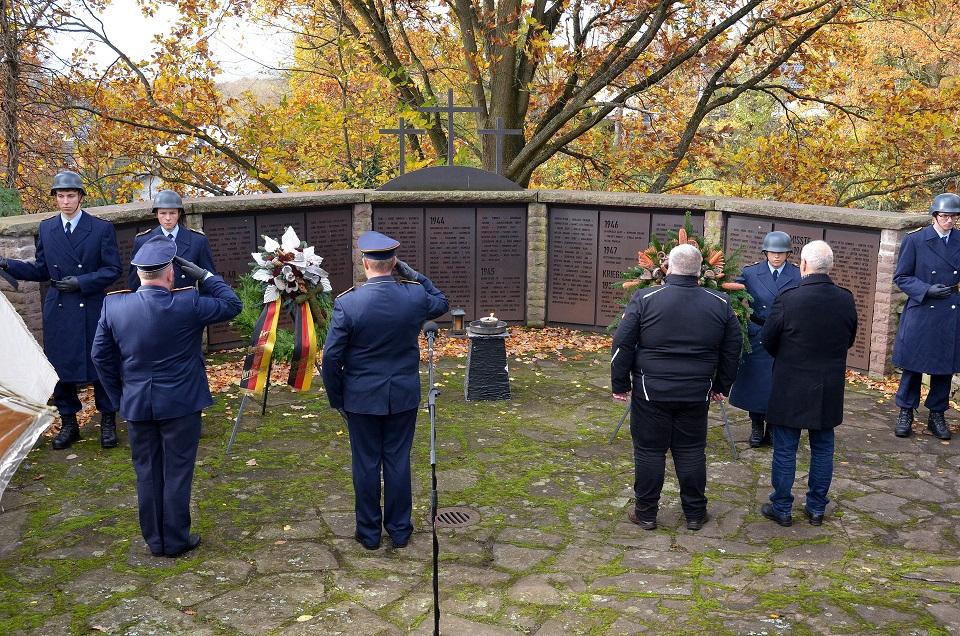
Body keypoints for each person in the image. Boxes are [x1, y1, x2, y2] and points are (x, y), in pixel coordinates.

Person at [90, 236, 241, 557]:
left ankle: (154, 540)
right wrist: (205, 276)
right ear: (170, 273)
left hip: (137, 403)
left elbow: (99, 356)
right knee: (177, 471)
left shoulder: (114, 305)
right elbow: (233, 305)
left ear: (141, 274)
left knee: (146, 471)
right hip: (182, 403)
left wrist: (120, 397)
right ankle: (174, 539)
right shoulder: (187, 302)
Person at [322, 230, 448, 550]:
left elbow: (332, 357)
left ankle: (368, 533)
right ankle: (400, 530)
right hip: (402, 394)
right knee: (397, 460)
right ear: (394, 264)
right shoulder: (415, 296)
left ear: (365, 263)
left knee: (365, 463)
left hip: (361, 397)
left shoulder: (349, 303)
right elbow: (442, 302)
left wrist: (338, 398)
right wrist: (415, 274)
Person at [611, 243, 742, 531]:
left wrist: (620, 384)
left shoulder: (645, 298)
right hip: (696, 391)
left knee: (649, 451)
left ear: (668, 267)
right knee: (691, 450)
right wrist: (722, 385)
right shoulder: (719, 303)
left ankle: (646, 513)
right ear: (700, 270)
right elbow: (733, 350)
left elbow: (622, 344)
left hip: (651, 391)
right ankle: (695, 513)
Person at [0, 170, 121, 449]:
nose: (66, 201)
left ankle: (107, 421)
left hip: (91, 305)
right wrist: (8, 264)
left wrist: (82, 281)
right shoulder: (47, 228)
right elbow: (42, 269)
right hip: (59, 307)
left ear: (80, 197)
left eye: (71, 195)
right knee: (60, 366)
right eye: (61, 196)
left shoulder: (101, 229)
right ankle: (69, 424)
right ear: (55, 198)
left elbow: (113, 269)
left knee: (100, 362)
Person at [759, 240, 857, 527]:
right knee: (823, 447)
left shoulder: (789, 298)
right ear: (831, 267)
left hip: (791, 382)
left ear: (803, 265)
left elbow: (768, 339)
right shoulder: (845, 298)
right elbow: (849, 339)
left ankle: (783, 507)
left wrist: (788, 359)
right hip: (828, 384)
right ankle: (816, 508)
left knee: (786, 448)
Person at [891, 192, 960, 440]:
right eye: (945, 216)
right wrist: (926, 289)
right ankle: (906, 412)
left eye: (954, 217)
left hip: (950, 309)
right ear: (935, 216)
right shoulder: (916, 240)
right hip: (922, 309)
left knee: (943, 368)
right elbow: (901, 277)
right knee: (913, 366)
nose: (950, 221)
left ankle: (937, 415)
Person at [729, 231, 801, 447]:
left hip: (785, 335)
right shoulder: (751, 273)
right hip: (758, 331)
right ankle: (757, 426)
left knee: (779, 383)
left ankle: (773, 426)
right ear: (765, 252)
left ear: (788, 253)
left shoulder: (797, 275)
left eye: (781, 253)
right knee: (756, 382)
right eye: (772, 252)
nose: (777, 257)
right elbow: (733, 293)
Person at [126, 190, 217, 291]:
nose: (168, 218)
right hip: (155, 302)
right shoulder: (143, 241)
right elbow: (134, 281)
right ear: (156, 214)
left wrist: (201, 304)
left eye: (172, 213)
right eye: (163, 213)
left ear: (179, 213)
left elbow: (208, 279)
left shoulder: (197, 240)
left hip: (186, 300)